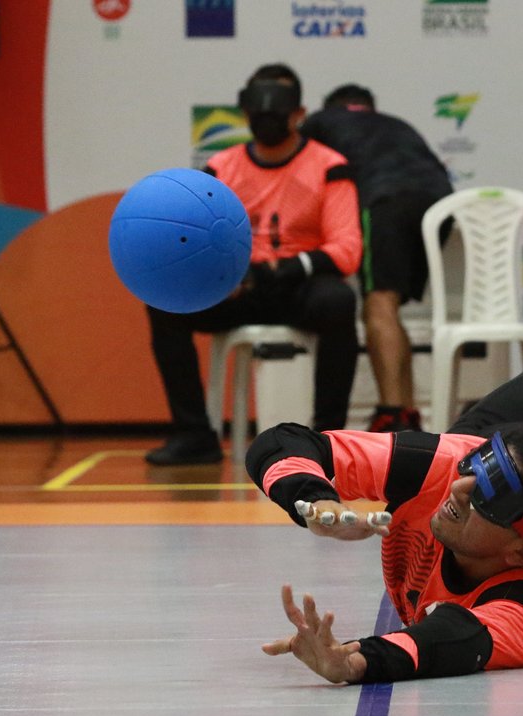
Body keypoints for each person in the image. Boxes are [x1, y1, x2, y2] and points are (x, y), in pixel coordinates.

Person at [253, 310, 523, 683]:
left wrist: (353, 662)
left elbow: (446, 642)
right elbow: (282, 442)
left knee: (487, 442)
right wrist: (315, 499)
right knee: (476, 434)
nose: (459, 489)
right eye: (478, 467)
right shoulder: (453, 469)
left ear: (519, 554)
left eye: (489, 497)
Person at [144, 64, 362, 466]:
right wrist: (221, 274)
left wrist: (277, 271)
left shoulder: (330, 166)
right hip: (238, 286)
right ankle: (195, 434)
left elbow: (347, 250)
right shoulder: (221, 168)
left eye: (277, 114)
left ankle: (326, 441)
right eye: (258, 116)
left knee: (339, 302)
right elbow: (196, 236)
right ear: (245, 115)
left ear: (299, 114)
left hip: (299, 286)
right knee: (164, 303)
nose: (267, 123)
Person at [300, 84, 455, 433]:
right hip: (440, 205)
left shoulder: (321, 122)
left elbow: (301, 174)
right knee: (391, 306)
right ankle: (408, 412)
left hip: (387, 200)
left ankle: (391, 413)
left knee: (378, 304)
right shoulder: (396, 124)